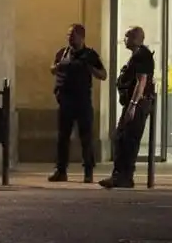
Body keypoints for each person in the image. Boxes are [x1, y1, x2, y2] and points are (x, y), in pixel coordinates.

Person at [48, 24, 107, 184]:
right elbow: (52, 69)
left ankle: (88, 172)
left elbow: (103, 75)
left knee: (86, 138)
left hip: (82, 101)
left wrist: (89, 68)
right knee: (62, 138)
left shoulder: (90, 54)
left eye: (72, 35)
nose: (69, 38)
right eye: (68, 35)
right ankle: (61, 171)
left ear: (82, 37)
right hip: (65, 100)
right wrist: (57, 67)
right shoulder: (63, 53)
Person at [100, 26, 156, 189]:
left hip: (138, 104)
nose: (124, 38)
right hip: (135, 103)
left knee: (127, 139)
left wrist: (132, 105)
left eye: (128, 36)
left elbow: (141, 81)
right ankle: (121, 176)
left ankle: (123, 177)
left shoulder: (142, 56)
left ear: (137, 39)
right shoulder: (138, 55)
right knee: (122, 138)